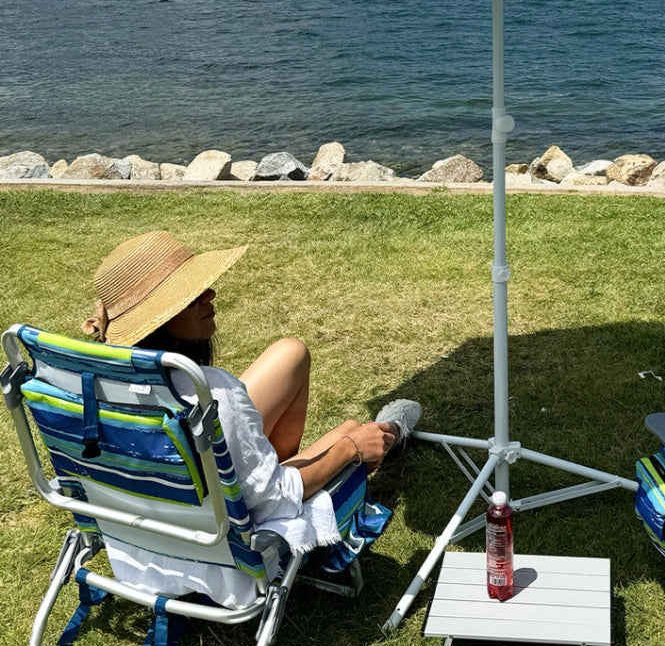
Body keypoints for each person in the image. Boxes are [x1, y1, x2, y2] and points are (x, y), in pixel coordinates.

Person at [80, 229, 421, 608]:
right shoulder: (210, 392)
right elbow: (275, 501)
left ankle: (376, 431)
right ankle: (391, 430)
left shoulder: (88, 385)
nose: (211, 295)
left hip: (142, 541)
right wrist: (349, 450)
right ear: (161, 319)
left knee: (291, 355)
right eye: (194, 295)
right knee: (355, 436)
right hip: (223, 557)